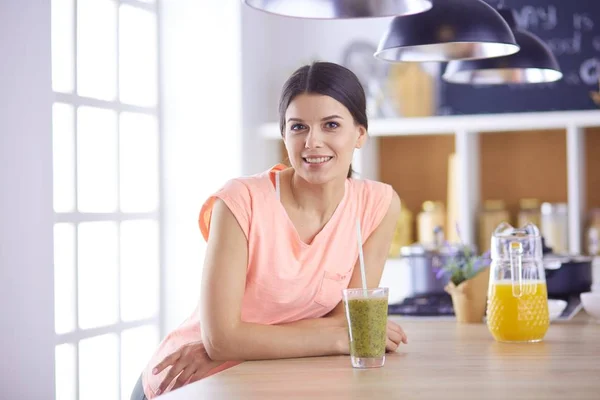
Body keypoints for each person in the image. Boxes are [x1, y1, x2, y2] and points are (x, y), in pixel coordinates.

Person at [131, 61, 407, 400]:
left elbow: (345, 319)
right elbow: (220, 340)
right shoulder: (239, 200)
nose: (312, 142)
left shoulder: (378, 204)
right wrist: (338, 338)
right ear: (284, 134)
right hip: (192, 381)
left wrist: (243, 341)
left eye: (331, 125)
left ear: (360, 134)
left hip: (274, 377)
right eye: (298, 127)